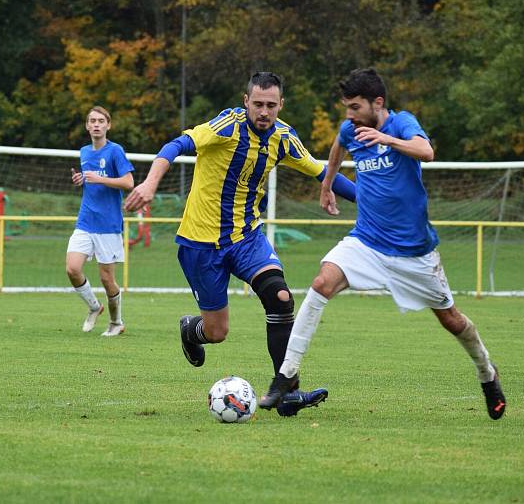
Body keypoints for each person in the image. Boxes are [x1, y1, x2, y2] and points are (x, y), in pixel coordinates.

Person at [258, 68, 507, 421]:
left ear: (377, 103)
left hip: (413, 252)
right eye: (346, 107)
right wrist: (327, 184)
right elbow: (337, 146)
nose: (349, 115)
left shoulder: (402, 123)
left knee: (452, 321)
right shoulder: (351, 129)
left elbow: (426, 151)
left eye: (355, 107)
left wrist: (386, 140)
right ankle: (285, 376)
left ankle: (487, 374)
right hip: (367, 240)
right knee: (320, 284)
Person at [124, 72, 357, 417]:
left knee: (280, 298)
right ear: (246, 101)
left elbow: (324, 173)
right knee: (217, 332)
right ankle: (192, 330)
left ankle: (287, 391)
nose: (264, 111)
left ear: (281, 105)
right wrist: (149, 184)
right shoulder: (226, 127)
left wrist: (374, 204)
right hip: (200, 244)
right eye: (258, 104)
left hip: (246, 238)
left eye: (271, 105)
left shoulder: (283, 137)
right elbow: (175, 146)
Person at [66, 106, 134, 337]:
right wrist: (81, 181)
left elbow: (128, 183)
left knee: (107, 280)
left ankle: (116, 322)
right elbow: (89, 182)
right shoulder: (84, 152)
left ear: (108, 125)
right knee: (72, 268)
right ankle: (94, 307)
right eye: (92, 121)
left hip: (108, 225)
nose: (96, 124)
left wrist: (101, 179)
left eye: (100, 121)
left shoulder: (115, 151)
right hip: (85, 221)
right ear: (87, 126)